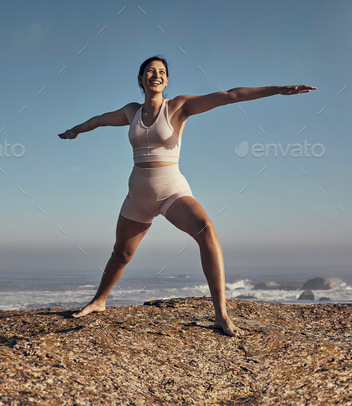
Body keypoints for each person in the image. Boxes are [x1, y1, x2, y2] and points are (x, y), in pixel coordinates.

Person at [58, 55, 315, 337]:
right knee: (121, 253)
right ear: (141, 79)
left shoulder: (179, 106)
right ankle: (99, 301)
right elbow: (99, 120)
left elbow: (230, 95)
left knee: (206, 230)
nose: (156, 75)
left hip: (171, 191)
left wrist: (278, 89)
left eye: (162, 72)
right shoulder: (131, 111)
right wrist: (76, 131)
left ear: (166, 80)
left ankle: (221, 315)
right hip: (137, 195)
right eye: (150, 71)